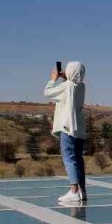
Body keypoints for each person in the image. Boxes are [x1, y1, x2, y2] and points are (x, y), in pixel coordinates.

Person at [45, 62, 87, 205]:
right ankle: (82, 191)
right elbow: (70, 90)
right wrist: (67, 79)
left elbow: (48, 92)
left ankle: (74, 191)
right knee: (78, 160)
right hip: (79, 129)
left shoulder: (66, 86)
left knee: (69, 159)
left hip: (68, 127)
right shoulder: (81, 87)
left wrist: (53, 78)